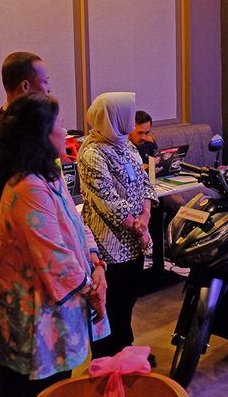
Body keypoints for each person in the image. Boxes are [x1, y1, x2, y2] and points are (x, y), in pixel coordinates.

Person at [0, 93, 109, 396]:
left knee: (57, 384)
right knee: (37, 389)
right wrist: (93, 290)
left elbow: (77, 223)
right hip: (36, 318)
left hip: (59, 308)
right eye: (61, 125)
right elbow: (55, 259)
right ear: (41, 135)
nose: (66, 132)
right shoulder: (27, 186)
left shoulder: (49, 175)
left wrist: (96, 262)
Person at [78, 92, 158, 359]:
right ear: (112, 117)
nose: (131, 120)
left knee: (126, 302)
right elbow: (107, 201)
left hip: (133, 240)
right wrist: (139, 227)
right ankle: (106, 362)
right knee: (109, 305)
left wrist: (145, 215)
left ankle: (125, 353)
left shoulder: (126, 145)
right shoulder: (92, 152)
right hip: (108, 245)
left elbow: (146, 182)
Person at [0, 51, 51, 282]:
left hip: (40, 239)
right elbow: (10, 200)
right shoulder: (0, 137)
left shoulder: (30, 128)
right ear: (25, 86)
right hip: (19, 247)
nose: (49, 90)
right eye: (45, 82)